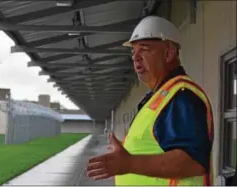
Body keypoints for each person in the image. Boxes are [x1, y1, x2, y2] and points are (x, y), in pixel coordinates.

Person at [86, 16, 214, 186]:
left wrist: (129, 163)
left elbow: (192, 162)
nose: (135, 57)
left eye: (144, 49)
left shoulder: (180, 96)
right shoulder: (160, 96)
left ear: (168, 53)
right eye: (133, 52)